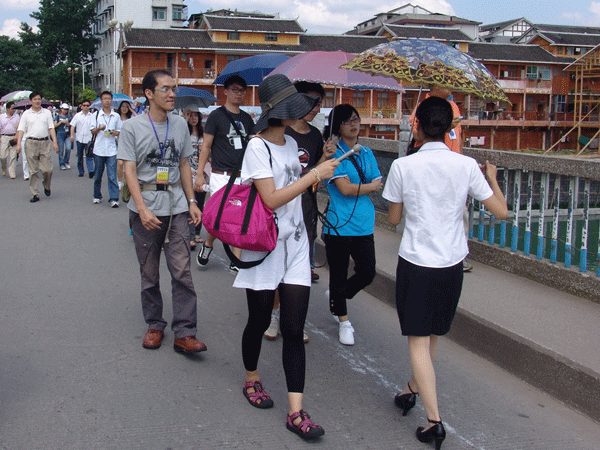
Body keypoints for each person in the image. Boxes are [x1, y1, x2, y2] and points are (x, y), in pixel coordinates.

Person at [382, 96, 508, 450]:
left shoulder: (403, 166)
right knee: (433, 333)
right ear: (450, 128)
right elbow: (501, 212)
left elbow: (394, 219)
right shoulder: (466, 165)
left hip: (417, 263)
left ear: (417, 126)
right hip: (452, 265)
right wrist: (492, 178)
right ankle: (410, 389)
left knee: (419, 340)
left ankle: (434, 423)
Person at [233, 74, 338, 440]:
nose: (302, 112)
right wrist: (314, 175)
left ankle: (296, 412)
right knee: (259, 319)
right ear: (276, 111)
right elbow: (271, 199)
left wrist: (321, 169)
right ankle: (251, 377)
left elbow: (299, 189)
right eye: (294, 107)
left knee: (294, 329)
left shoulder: (293, 143)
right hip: (265, 246)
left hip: (296, 245)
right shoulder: (257, 147)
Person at [117, 69, 206, 354]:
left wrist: (192, 201)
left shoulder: (179, 124)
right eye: (166, 89)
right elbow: (129, 170)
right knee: (149, 272)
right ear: (148, 93)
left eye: (174, 88)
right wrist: (142, 209)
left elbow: (183, 165)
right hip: (146, 208)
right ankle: (155, 324)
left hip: (176, 205)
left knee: (182, 271)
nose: (172, 94)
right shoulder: (132, 128)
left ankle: (185, 332)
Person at [263, 81, 335, 343]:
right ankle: (274, 314)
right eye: (310, 101)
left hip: (305, 208)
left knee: (298, 267)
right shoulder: (277, 134)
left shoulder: (314, 136)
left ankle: (292, 319)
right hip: (279, 208)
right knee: (276, 264)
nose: (315, 108)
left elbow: (312, 176)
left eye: (319, 103)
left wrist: (325, 158)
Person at [321, 104, 382, 346]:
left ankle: (338, 297)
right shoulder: (335, 154)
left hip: (364, 223)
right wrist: (368, 187)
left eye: (356, 119)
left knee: (367, 272)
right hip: (339, 224)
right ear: (338, 126)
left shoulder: (366, 152)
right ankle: (344, 321)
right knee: (338, 274)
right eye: (347, 121)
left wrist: (366, 187)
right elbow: (345, 189)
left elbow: (378, 181)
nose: (353, 124)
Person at [194, 74, 254, 271]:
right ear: (226, 91)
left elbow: (254, 146)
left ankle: (235, 260)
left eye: (242, 90)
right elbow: (206, 146)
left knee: (239, 217)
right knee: (220, 216)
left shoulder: (247, 119)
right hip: (221, 175)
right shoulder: (216, 116)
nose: (239, 94)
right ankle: (208, 244)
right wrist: (199, 174)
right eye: (235, 90)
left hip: (243, 176)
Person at [410, 87, 472, 272]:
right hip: (432, 169)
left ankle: (459, 256)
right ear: (436, 85)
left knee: (460, 213)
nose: (451, 86)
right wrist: (445, 126)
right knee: (433, 213)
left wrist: (460, 156)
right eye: (447, 83)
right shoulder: (422, 107)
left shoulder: (453, 106)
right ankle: (429, 254)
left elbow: (458, 138)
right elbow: (417, 135)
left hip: (454, 169)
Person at [15, 92, 59, 203]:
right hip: (31, 143)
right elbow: (21, 130)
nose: (37, 101)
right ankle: (35, 193)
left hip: (44, 143)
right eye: (35, 99)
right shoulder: (26, 114)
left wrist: (55, 142)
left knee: (47, 170)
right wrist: (18, 144)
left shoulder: (47, 113)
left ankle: (46, 185)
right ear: (31, 101)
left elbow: (51, 128)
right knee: (33, 171)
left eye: (39, 99)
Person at [90, 91, 122, 207]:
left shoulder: (116, 116)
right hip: (99, 149)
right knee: (98, 175)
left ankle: (114, 198)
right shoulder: (96, 115)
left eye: (109, 98)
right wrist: (99, 129)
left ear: (111, 100)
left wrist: (115, 132)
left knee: (112, 175)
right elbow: (92, 131)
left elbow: (120, 130)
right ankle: (97, 195)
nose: (107, 101)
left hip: (111, 149)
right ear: (101, 101)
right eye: (105, 99)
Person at [185, 105, 207, 250]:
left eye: (195, 115)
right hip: (188, 172)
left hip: (201, 173)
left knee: (200, 203)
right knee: (190, 204)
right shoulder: (184, 133)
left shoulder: (204, 134)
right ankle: (191, 235)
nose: (193, 118)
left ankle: (197, 232)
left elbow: (209, 153)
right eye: (190, 115)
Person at [70, 100, 95, 178]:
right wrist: (71, 135)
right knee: (80, 157)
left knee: (89, 156)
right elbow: (72, 125)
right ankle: (81, 171)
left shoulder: (92, 116)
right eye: (84, 105)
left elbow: (94, 127)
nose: (86, 107)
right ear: (81, 106)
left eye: (87, 105)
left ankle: (91, 171)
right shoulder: (77, 115)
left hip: (88, 139)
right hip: (80, 139)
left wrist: (94, 138)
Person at [116, 101, 137, 190]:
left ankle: (126, 181)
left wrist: (131, 110)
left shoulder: (130, 119)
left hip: (128, 142)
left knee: (127, 163)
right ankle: (119, 180)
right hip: (117, 141)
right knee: (120, 163)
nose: (124, 108)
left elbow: (138, 118)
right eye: (123, 106)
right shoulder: (116, 117)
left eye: (126, 107)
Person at [0, 101, 20, 179]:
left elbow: (19, 128)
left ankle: (12, 172)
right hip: (4, 137)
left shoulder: (17, 117)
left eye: (14, 108)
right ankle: (3, 167)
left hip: (14, 137)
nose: (14, 110)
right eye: (12, 108)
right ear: (8, 109)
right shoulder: (1, 117)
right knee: (2, 156)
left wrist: (17, 136)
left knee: (13, 156)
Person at [54, 103, 72, 170]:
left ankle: (66, 161)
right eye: (64, 109)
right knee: (61, 150)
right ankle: (61, 163)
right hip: (60, 134)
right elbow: (54, 125)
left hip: (67, 134)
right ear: (61, 109)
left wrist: (68, 123)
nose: (65, 111)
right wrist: (61, 122)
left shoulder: (68, 117)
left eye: (67, 109)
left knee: (68, 148)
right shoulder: (57, 117)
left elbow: (71, 125)